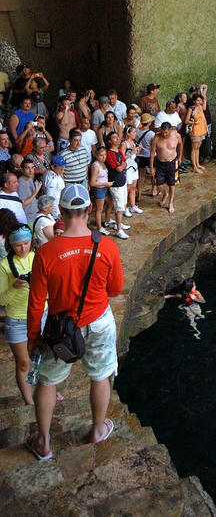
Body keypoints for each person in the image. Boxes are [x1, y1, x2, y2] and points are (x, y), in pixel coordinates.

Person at [26, 183, 124, 459]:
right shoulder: (107, 246)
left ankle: (44, 443)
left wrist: (34, 337)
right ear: (90, 209)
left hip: (61, 328)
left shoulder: (46, 253)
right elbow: (115, 290)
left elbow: (36, 304)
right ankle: (96, 431)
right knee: (101, 375)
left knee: (47, 382)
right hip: (99, 320)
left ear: (61, 211)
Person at [0, 225, 41, 404]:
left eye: (26, 243)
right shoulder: (4, 265)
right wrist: (14, 287)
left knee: (41, 358)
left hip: (40, 314)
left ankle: (46, 390)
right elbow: (1, 300)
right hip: (17, 318)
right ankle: (28, 399)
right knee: (24, 362)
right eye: (18, 245)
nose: (23, 248)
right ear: (11, 245)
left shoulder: (37, 257)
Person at [149, 123, 182, 214]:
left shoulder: (176, 136)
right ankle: (165, 193)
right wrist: (151, 167)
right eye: (162, 132)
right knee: (158, 183)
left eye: (166, 133)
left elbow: (180, 145)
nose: (164, 134)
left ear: (170, 130)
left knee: (172, 184)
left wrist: (180, 157)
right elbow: (152, 154)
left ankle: (170, 203)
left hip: (172, 162)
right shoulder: (156, 138)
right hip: (160, 163)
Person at [105, 132, 130, 239]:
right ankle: (119, 229)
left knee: (122, 205)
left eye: (117, 137)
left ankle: (118, 224)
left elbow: (125, 163)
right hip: (115, 183)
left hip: (122, 181)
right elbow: (119, 168)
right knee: (119, 207)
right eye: (114, 138)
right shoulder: (109, 153)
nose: (117, 139)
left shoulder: (119, 151)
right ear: (110, 141)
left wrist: (123, 164)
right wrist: (123, 164)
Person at [89, 145, 112, 235]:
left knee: (110, 203)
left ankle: (107, 220)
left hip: (105, 188)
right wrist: (105, 184)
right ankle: (99, 227)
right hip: (99, 189)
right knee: (99, 209)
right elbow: (92, 183)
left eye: (105, 155)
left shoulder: (103, 163)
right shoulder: (96, 166)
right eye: (101, 155)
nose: (104, 157)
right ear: (96, 155)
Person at [185, 93, 207, 174]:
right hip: (195, 130)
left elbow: (203, 114)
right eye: (198, 100)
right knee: (194, 149)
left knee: (198, 148)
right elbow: (186, 121)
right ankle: (194, 166)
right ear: (194, 101)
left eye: (200, 100)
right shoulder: (191, 109)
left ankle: (197, 164)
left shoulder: (200, 107)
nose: (199, 101)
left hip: (201, 130)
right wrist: (194, 122)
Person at [17, 158, 43, 223]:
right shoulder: (21, 183)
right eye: (27, 168)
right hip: (28, 218)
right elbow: (23, 204)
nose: (31, 170)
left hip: (34, 216)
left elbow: (33, 196)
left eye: (32, 168)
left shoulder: (29, 178)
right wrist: (36, 191)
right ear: (22, 170)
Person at [135, 114, 155, 193]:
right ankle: (154, 190)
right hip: (149, 155)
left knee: (141, 176)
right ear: (149, 123)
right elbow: (153, 146)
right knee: (152, 173)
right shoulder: (151, 134)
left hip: (140, 155)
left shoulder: (137, 131)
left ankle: (139, 193)